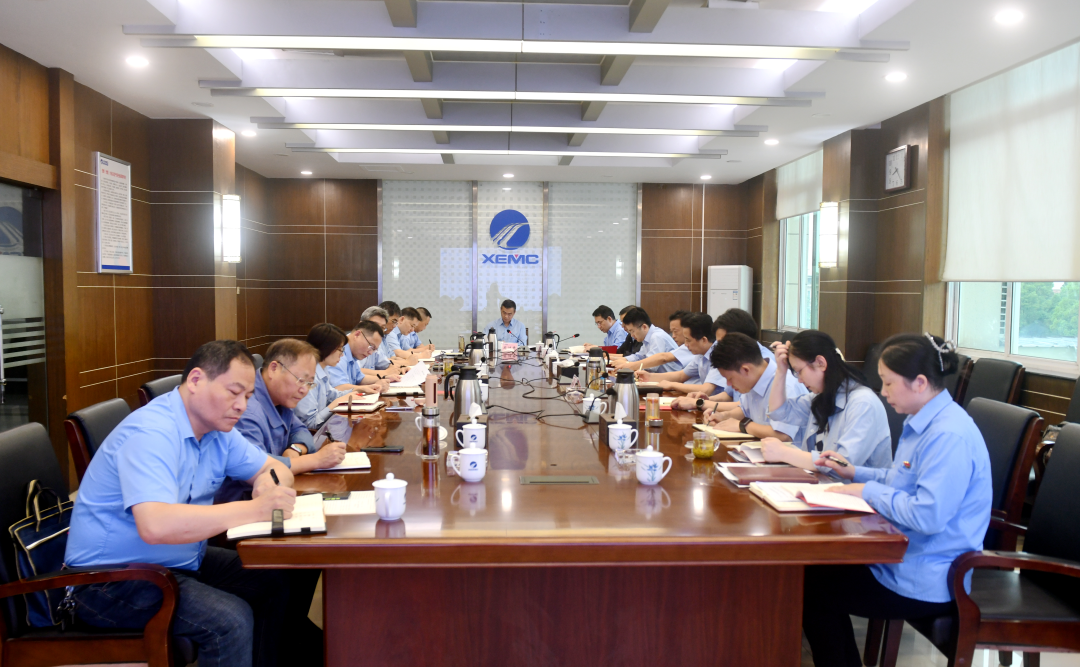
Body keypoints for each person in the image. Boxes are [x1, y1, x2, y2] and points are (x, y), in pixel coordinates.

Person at [64, 340, 317, 667]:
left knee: (273, 579)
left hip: (178, 561)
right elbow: (156, 526)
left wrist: (266, 485)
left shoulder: (218, 429)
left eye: (248, 396)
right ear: (196, 380)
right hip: (109, 581)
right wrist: (256, 509)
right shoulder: (151, 433)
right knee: (230, 621)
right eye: (233, 392)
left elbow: (275, 468)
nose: (241, 406)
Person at [803, 333, 992, 667]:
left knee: (810, 588)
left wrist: (866, 492)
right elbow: (899, 480)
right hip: (903, 555)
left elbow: (928, 516)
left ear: (920, 383)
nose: (882, 392)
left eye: (888, 383)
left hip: (929, 576)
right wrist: (854, 473)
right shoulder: (923, 420)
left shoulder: (948, 435)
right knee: (812, 575)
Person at [218, 338, 347, 503]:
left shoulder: (280, 397)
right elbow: (255, 465)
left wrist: (295, 449)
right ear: (274, 368)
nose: (304, 390)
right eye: (301, 380)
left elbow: (300, 430)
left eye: (309, 383)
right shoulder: (245, 409)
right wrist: (316, 460)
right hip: (243, 502)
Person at [760, 330, 892, 472]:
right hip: (820, 482)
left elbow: (842, 465)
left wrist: (785, 453)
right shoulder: (822, 396)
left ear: (821, 363)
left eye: (799, 371)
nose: (799, 380)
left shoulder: (863, 404)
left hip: (851, 486)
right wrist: (781, 371)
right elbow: (779, 412)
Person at [705, 332, 807, 441]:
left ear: (745, 369)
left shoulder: (785, 385)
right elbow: (745, 410)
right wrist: (724, 416)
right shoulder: (753, 380)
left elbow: (784, 435)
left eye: (730, 379)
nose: (728, 384)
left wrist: (743, 426)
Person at [671, 308, 774, 411]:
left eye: (722, 342)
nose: (718, 347)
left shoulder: (763, 362)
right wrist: (705, 400)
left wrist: (699, 404)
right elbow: (729, 395)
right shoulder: (737, 356)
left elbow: (744, 407)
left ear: (740, 338)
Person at [294, 323, 376, 430]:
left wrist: (358, 390)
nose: (342, 355)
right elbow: (310, 424)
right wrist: (337, 402)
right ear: (326, 347)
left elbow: (332, 394)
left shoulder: (323, 369)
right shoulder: (307, 376)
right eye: (340, 349)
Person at [635, 313, 722, 395]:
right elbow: (681, 375)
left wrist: (672, 385)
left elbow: (706, 389)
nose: (686, 344)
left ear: (703, 340)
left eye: (688, 340)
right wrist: (649, 376)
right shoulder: (700, 355)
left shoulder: (719, 355)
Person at [326, 319, 396, 388]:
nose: (370, 353)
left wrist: (385, 378)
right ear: (357, 334)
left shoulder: (352, 354)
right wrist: (367, 388)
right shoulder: (337, 353)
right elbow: (339, 387)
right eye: (371, 346)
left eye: (374, 350)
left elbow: (360, 378)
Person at [610, 307, 682, 373]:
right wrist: (622, 360)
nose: (632, 335)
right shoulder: (647, 338)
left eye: (632, 331)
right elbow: (639, 356)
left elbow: (651, 366)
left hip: (672, 380)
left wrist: (628, 364)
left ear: (644, 327)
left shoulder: (657, 337)